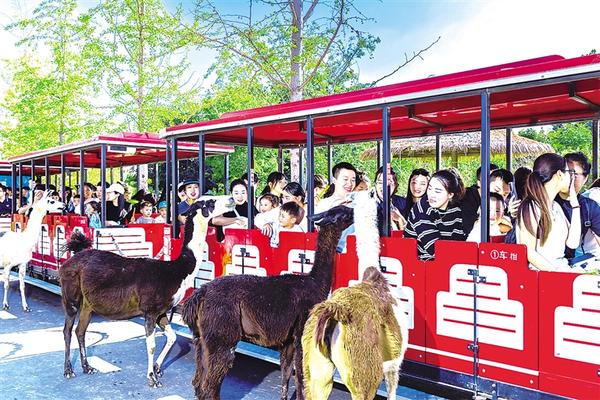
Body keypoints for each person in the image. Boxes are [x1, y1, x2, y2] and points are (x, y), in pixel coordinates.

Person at [516, 153, 581, 271]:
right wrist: (556, 275)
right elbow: (528, 251)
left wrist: (576, 206)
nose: (572, 178)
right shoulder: (531, 206)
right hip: (541, 274)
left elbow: (572, 243)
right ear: (560, 174)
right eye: (569, 172)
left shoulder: (556, 206)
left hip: (561, 269)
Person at [405, 169, 467, 260]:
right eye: (429, 188)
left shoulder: (455, 210)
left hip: (450, 260)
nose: (431, 195)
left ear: (450, 195)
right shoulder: (421, 210)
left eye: (437, 191)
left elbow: (458, 241)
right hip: (422, 262)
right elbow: (434, 249)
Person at [556, 152, 600, 258]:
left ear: (585, 178)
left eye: (574, 174)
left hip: (575, 262)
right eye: (566, 172)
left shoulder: (590, 206)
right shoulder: (547, 201)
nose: (569, 177)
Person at [460, 163, 499, 236]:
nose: (494, 183)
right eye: (490, 180)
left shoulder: (501, 196)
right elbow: (469, 228)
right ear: (479, 183)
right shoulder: (468, 197)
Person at [374, 166, 407, 232]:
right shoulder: (369, 204)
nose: (384, 186)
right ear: (375, 185)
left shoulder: (403, 203)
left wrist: (400, 218)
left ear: (395, 185)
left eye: (389, 183)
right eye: (380, 183)